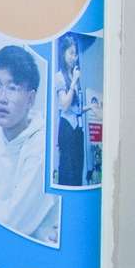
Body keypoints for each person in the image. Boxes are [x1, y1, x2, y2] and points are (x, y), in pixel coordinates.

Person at [0, 45, 59, 244]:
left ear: (31, 98)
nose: (2, 98)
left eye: (12, 88)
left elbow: (14, 224)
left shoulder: (44, 147)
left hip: (35, 256)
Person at [55, 36, 87, 187]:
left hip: (77, 131)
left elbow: (76, 109)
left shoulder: (73, 75)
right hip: (67, 129)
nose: (74, 57)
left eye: (76, 54)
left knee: (77, 171)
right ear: (63, 54)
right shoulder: (60, 77)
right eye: (71, 53)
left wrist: (90, 108)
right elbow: (65, 105)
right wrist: (74, 81)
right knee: (67, 171)